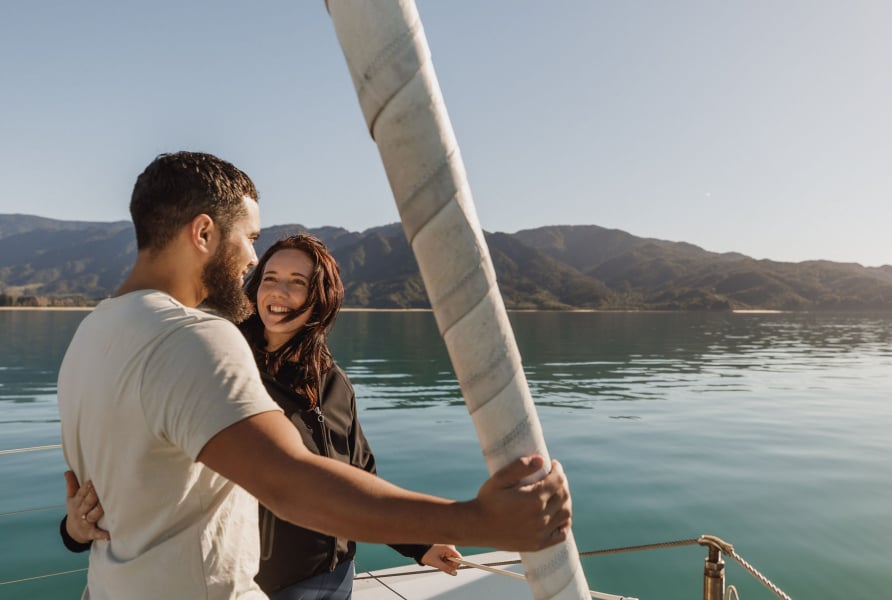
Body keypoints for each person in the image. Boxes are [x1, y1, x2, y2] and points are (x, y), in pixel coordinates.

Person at [58, 151, 571, 600]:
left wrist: (74, 529)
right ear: (204, 232)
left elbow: (117, 481)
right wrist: (478, 520)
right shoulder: (195, 339)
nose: (253, 261)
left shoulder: (91, 337)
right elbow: (291, 483)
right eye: (251, 239)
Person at [62, 233, 462, 599]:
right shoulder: (222, 368)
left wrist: (419, 544)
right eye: (270, 277)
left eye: (297, 282)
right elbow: (151, 464)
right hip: (263, 583)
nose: (279, 291)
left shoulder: (332, 380)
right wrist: (74, 532)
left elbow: (360, 474)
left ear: (319, 297)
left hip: (337, 575)